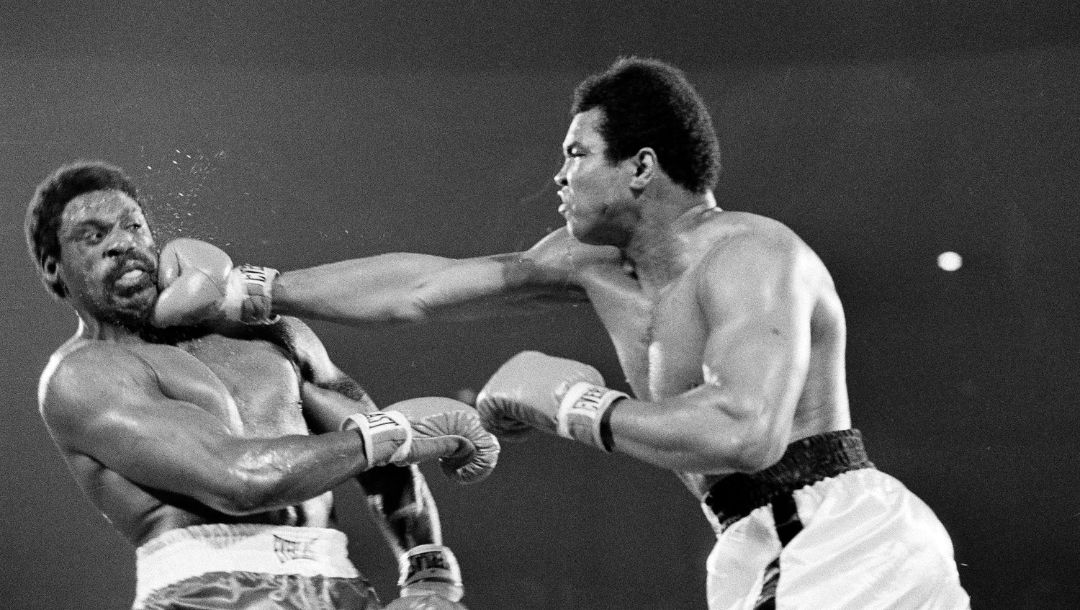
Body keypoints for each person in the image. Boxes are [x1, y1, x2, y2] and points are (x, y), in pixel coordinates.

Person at [151, 57, 970, 608]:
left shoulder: (753, 256)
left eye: (578, 152)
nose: (560, 173)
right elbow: (425, 287)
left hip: (837, 536)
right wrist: (253, 290)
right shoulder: (591, 265)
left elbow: (747, 430)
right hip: (760, 544)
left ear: (641, 167)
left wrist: (572, 402)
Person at [25, 161, 500, 610]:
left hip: (341, 585)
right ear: (53, 266)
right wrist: (388, 433)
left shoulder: (270, 334)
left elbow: (385, 467)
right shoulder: (83, 376)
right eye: (93, 236)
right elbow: (240, 482)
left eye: (134, 225)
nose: (122, 243)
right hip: (208, 593)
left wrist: (427, 571)